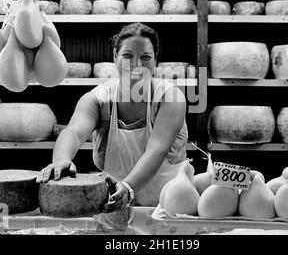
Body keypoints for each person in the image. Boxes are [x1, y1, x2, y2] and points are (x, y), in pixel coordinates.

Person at [36, 23, 188, 213]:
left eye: (146, 57)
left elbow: (156, 150)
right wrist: (61, 159)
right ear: (115, 56)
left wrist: (128, 187)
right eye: (127, 56)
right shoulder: (98, 100)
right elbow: (73, 133)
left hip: (168, 208)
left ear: (156, 60)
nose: (136, 65)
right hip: (113, 207)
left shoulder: (170, 97)